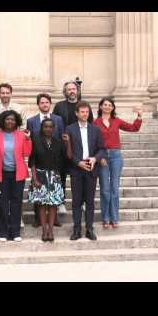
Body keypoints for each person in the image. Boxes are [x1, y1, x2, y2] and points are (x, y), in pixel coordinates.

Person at [93, 97, 142, 229]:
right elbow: (92, 141)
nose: (107, 106)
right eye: (105, 104)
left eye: (110, 105)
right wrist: (98, 157)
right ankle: (105, 218)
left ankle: (114, 218)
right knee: (104, 189)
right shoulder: (95, 122)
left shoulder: (116, 121)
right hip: (102, 156)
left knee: (114, 188)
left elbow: (133, 128)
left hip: (115, 156)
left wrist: (139, 116)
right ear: (101, 107)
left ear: (113, 108)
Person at [0, 83, 28, 229]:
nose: (4, 95)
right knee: (0, 195)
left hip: (14, 149)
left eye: (7, 92)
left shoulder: (19, 109)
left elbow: (23, 130)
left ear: (11, 93)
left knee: (16, 196)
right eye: (2, 93)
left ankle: (18, 219)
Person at [53, 81, 94, 217]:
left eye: (73, 89)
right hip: (64, 146)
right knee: (62, 175)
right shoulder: (59, 106)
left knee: (81, 176)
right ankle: (61, 202)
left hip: (82, 146)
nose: (71, 91)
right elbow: (54, 124)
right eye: (69, 89)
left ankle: (81, 202)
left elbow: (91, 124)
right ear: (65, 92)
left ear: (77, 90)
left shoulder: (84, 106)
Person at [66, 101, 106, 241]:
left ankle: (89, 229)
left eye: (87, 112)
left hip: (91, 168)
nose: (84, 114)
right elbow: (67, 152)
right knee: (76, 201)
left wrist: (95, 158)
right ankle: (76, 229)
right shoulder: (69, 129)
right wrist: (78, 163)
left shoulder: (95, 129)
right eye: (82, 112)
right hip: (77, 170)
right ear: (76, 113)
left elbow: (102, 149)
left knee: (90, 201)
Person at [28, 119, 72, 242]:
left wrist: (68, 143)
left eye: (50, 127)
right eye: (45, 126)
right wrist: (34, 178)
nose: (48, 129)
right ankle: (44, 231)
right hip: (40, 176)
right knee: (42, 205)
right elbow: (32, 162)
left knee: (53, 205)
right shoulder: (36, 141)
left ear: (54, 129)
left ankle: (51, 231)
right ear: (42, 128)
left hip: (54, 177)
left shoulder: (58, 142)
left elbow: (68, 157)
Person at [26, 93, 64, 228]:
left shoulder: (58, 120)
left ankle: (54, 219)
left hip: (54, 163)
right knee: (40, 196)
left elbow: (61, 139)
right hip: (39, 160)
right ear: (38, 105)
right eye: (42, 102)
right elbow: (30, 143)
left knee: (54, 194)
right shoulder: (31, 121)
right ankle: (38, 218)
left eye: (47, 102)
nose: (44, 104)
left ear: (50, 104)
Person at [0, 110, 32, 242]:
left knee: (16, 203)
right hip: (1, 173)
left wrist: (28, 140)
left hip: (18, 174)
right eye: (7, 119)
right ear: (3, 121)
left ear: (16, 122)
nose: (10, 121)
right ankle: (2, 232)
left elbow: (27, 153)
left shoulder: (21, 135)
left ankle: (15, 232)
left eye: (13, 119)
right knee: (2, 203)